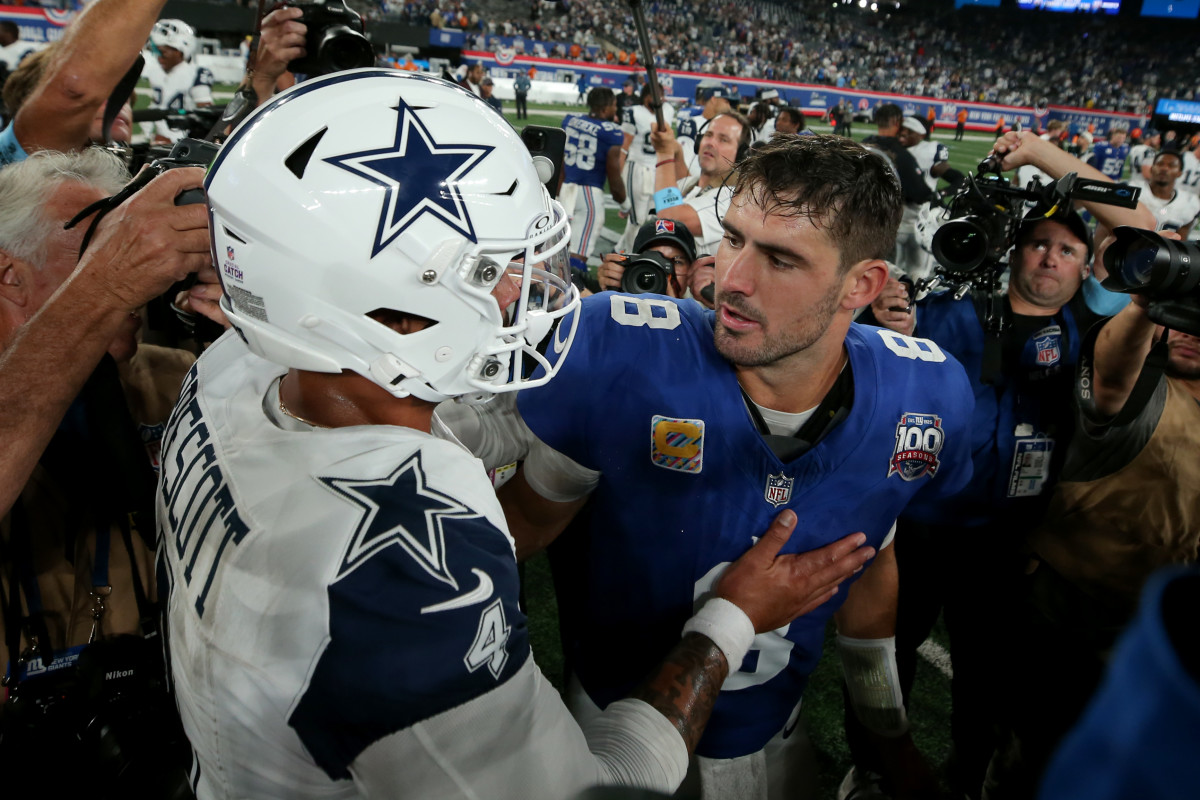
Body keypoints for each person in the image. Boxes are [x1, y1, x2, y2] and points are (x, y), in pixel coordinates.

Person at [158, 69, 874, 800]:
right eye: (495, 265)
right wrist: (731, 617)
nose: (522, 290)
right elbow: (602, 787)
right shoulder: (406, 568)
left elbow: (433, 423)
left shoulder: (232, 368)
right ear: (393, 300)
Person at [484, 134, 976, 800]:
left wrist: (887, 733)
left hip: (776, 740)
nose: (735, 279)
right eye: (735, 239)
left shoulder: (927, 396)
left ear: (861, 284)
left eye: (780, 258)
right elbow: (525, 524)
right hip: (606, 729)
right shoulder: (620, 348)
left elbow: (870, 562)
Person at [858, 130, 1155, 800]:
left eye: (1068, 249)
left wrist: (1039, 154)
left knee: (985, 674)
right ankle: (874, 769)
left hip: (1007, 535)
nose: (1050, 257)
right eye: (1039, 242)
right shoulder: (945, 301)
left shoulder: (1084, 319)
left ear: (1088, 268)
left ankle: (967, 774)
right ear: (1013, 249)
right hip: (913, 522)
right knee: (887, 654)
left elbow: (1141, 228)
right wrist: (888, 325)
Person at [991, 234, 1200, 798]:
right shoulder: (1141, 382)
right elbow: (1109, 377)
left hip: (1163, 625)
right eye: (1187, 314)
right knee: (1035, 756)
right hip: (1070, 608)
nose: (1191, 329)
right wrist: (1145, 304)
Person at [0, 0, 170, 166]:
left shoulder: (140, 169)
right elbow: (73, 88)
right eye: (103, 95)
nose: (120, 106)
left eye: (122, 97)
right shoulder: (15, 149)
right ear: (32, 102)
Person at [649, 110, 749, 258]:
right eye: (708, 135)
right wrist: (676, 151)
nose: (710, 143)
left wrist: (664, 153)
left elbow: (670, 220)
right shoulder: (694, 182)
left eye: (723, 140)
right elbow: (687, 188)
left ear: (741, 155)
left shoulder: (733, 200)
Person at [863, 104, 934, 279]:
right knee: (883, 276)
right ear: (897, 121)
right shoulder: (901, 155)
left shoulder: (860, 146)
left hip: (857, 221)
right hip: (885, 226)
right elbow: (920, 193)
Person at [559, 87, 626, 268]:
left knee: (557, 249)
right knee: (578, 256)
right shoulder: (611, 132)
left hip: (566, 189)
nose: (615, 109)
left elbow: (560, 159)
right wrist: (624, 202)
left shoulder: (570, 120)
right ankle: (572, 292)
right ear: (605, 108)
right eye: (613, 105)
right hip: (588, 193)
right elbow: (614, 176)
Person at [616, 85, 676, 251]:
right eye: (655, 95)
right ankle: (630, 256)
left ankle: (620, 249)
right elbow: (624, 146)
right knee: (637, 220)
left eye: (661, 95)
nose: (659, 100)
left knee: (657, 218)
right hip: (638, 168)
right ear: (645, 96)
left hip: (659, 170)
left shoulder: (668, 110)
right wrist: (619, 175)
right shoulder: (633, 112)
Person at [144, 18, 213, 146]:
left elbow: (206, 118)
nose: (158, 57)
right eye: (156, 51)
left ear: (180, 51)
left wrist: (176, 141)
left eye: (163, 52)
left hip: (184, 142)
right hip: (160, 139)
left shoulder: (197, 73)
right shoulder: (157, 73)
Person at [595, 217, 697, 297]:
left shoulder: (702, 318)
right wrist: (609, 296)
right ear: (633, 266)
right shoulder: (618, 306)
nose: (665, 271)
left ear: (691, 270)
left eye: (677, 262)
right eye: (654, 260)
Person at [1137, 150, 1200, 238]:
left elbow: (1180, 243)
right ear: (1151, 168)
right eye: (1160, 164)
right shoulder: (1132, 191)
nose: (1164, 168)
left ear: (1179, 173)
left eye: (1171, 166)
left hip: (1164, 251)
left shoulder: (1189, 203)